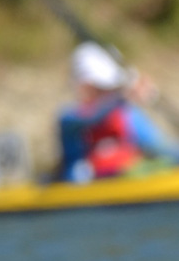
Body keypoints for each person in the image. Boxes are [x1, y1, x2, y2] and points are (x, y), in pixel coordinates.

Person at [55, 42, 179, 182]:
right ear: (84, 86)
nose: (109, 93)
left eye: (112, 88)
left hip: (127, 182)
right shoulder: (69, 118)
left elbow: (164, 148)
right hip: (81, 186)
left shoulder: (128, 115)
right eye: (102, 88)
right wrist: (125, 94)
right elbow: (91, 117)